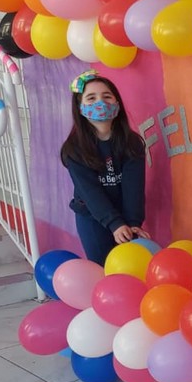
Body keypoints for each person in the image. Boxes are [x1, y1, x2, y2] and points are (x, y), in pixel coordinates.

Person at [60, 70, 148, 265]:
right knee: (103, 267)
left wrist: (133, 223)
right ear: (80, 108)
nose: (100, 103)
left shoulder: (132, 143)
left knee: (130, 266)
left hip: (125, 212)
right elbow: (90, 192)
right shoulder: (74, 149)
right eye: (91, 98)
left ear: (117, 103)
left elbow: (134, 186)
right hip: (92, 216)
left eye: (107, 96)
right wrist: (114, 223)